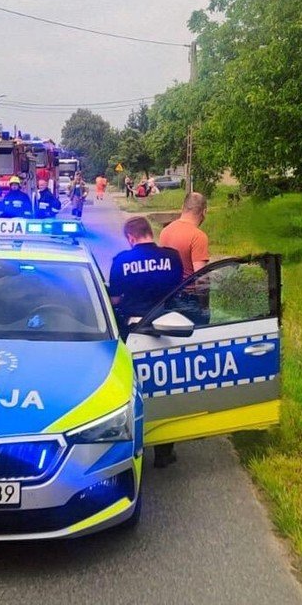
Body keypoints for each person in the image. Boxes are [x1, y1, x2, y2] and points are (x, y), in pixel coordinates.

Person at [108, 216, 184, 468]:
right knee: (168, 389)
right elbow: (181, 290)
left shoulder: (121, 261)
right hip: (169, 327)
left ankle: (131, 447)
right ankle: (165, 451)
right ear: (150, 232)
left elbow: (116, 299)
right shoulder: (172, 257)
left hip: (135, 330)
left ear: (130, 238)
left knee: (136, 388)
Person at [159, 192, 209, 278]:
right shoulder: (198, 236)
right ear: (204, 212)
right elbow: (201, 278)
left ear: (182, 207)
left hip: (170, 289)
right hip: (188, 290)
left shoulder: (165, 231)